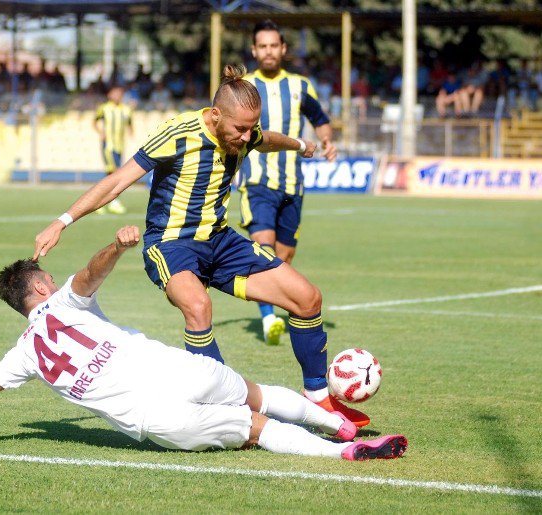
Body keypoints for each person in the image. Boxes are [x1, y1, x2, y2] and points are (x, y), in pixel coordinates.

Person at [34, 64, 370, 428]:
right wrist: (62, 220)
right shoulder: (179, 132)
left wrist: (301, 144)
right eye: (239, 128)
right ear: (214, 115)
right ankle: (223, 409)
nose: (245, 137)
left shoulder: (245, 131)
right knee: (198, 307)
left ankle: (318, 397)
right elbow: (117, 181)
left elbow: (266, 139)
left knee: (307, 298)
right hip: (171, 244)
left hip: (220, 240)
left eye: (250, 127)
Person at [0, 226, 407, 460]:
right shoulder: (63, 302)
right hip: (175, 371)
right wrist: (117, 247)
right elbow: (91, 274)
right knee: (257, 394)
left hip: (157, 422)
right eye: (49, 278)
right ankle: (340, 427)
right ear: (39, 289)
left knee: (255, 428)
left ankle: (340, 454)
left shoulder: (23, 354)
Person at [240, 20, 337, 348]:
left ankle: (273, 307)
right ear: (254, 51)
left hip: (293, 183)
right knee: (263, 249)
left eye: (274, 46)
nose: (268, 51)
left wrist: (327, 141)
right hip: (257, 181)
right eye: (262, 46)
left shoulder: (299, 86)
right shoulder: (243, 87)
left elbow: (320, 119)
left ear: (283, 49)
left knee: (285, 255)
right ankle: (268, 318)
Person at [93, 85, 133, 215]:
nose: (117, 96)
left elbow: (130, 123)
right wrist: (101, 132)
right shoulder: (104, 108)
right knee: (114, 173)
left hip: (120, 146)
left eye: (119, 93)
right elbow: (94, 121)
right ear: (110, 95)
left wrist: (131, 131)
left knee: (111, 174)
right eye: (114, 93)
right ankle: (112, 202)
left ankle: (98, 202)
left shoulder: (126, 110)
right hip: (108, 146)